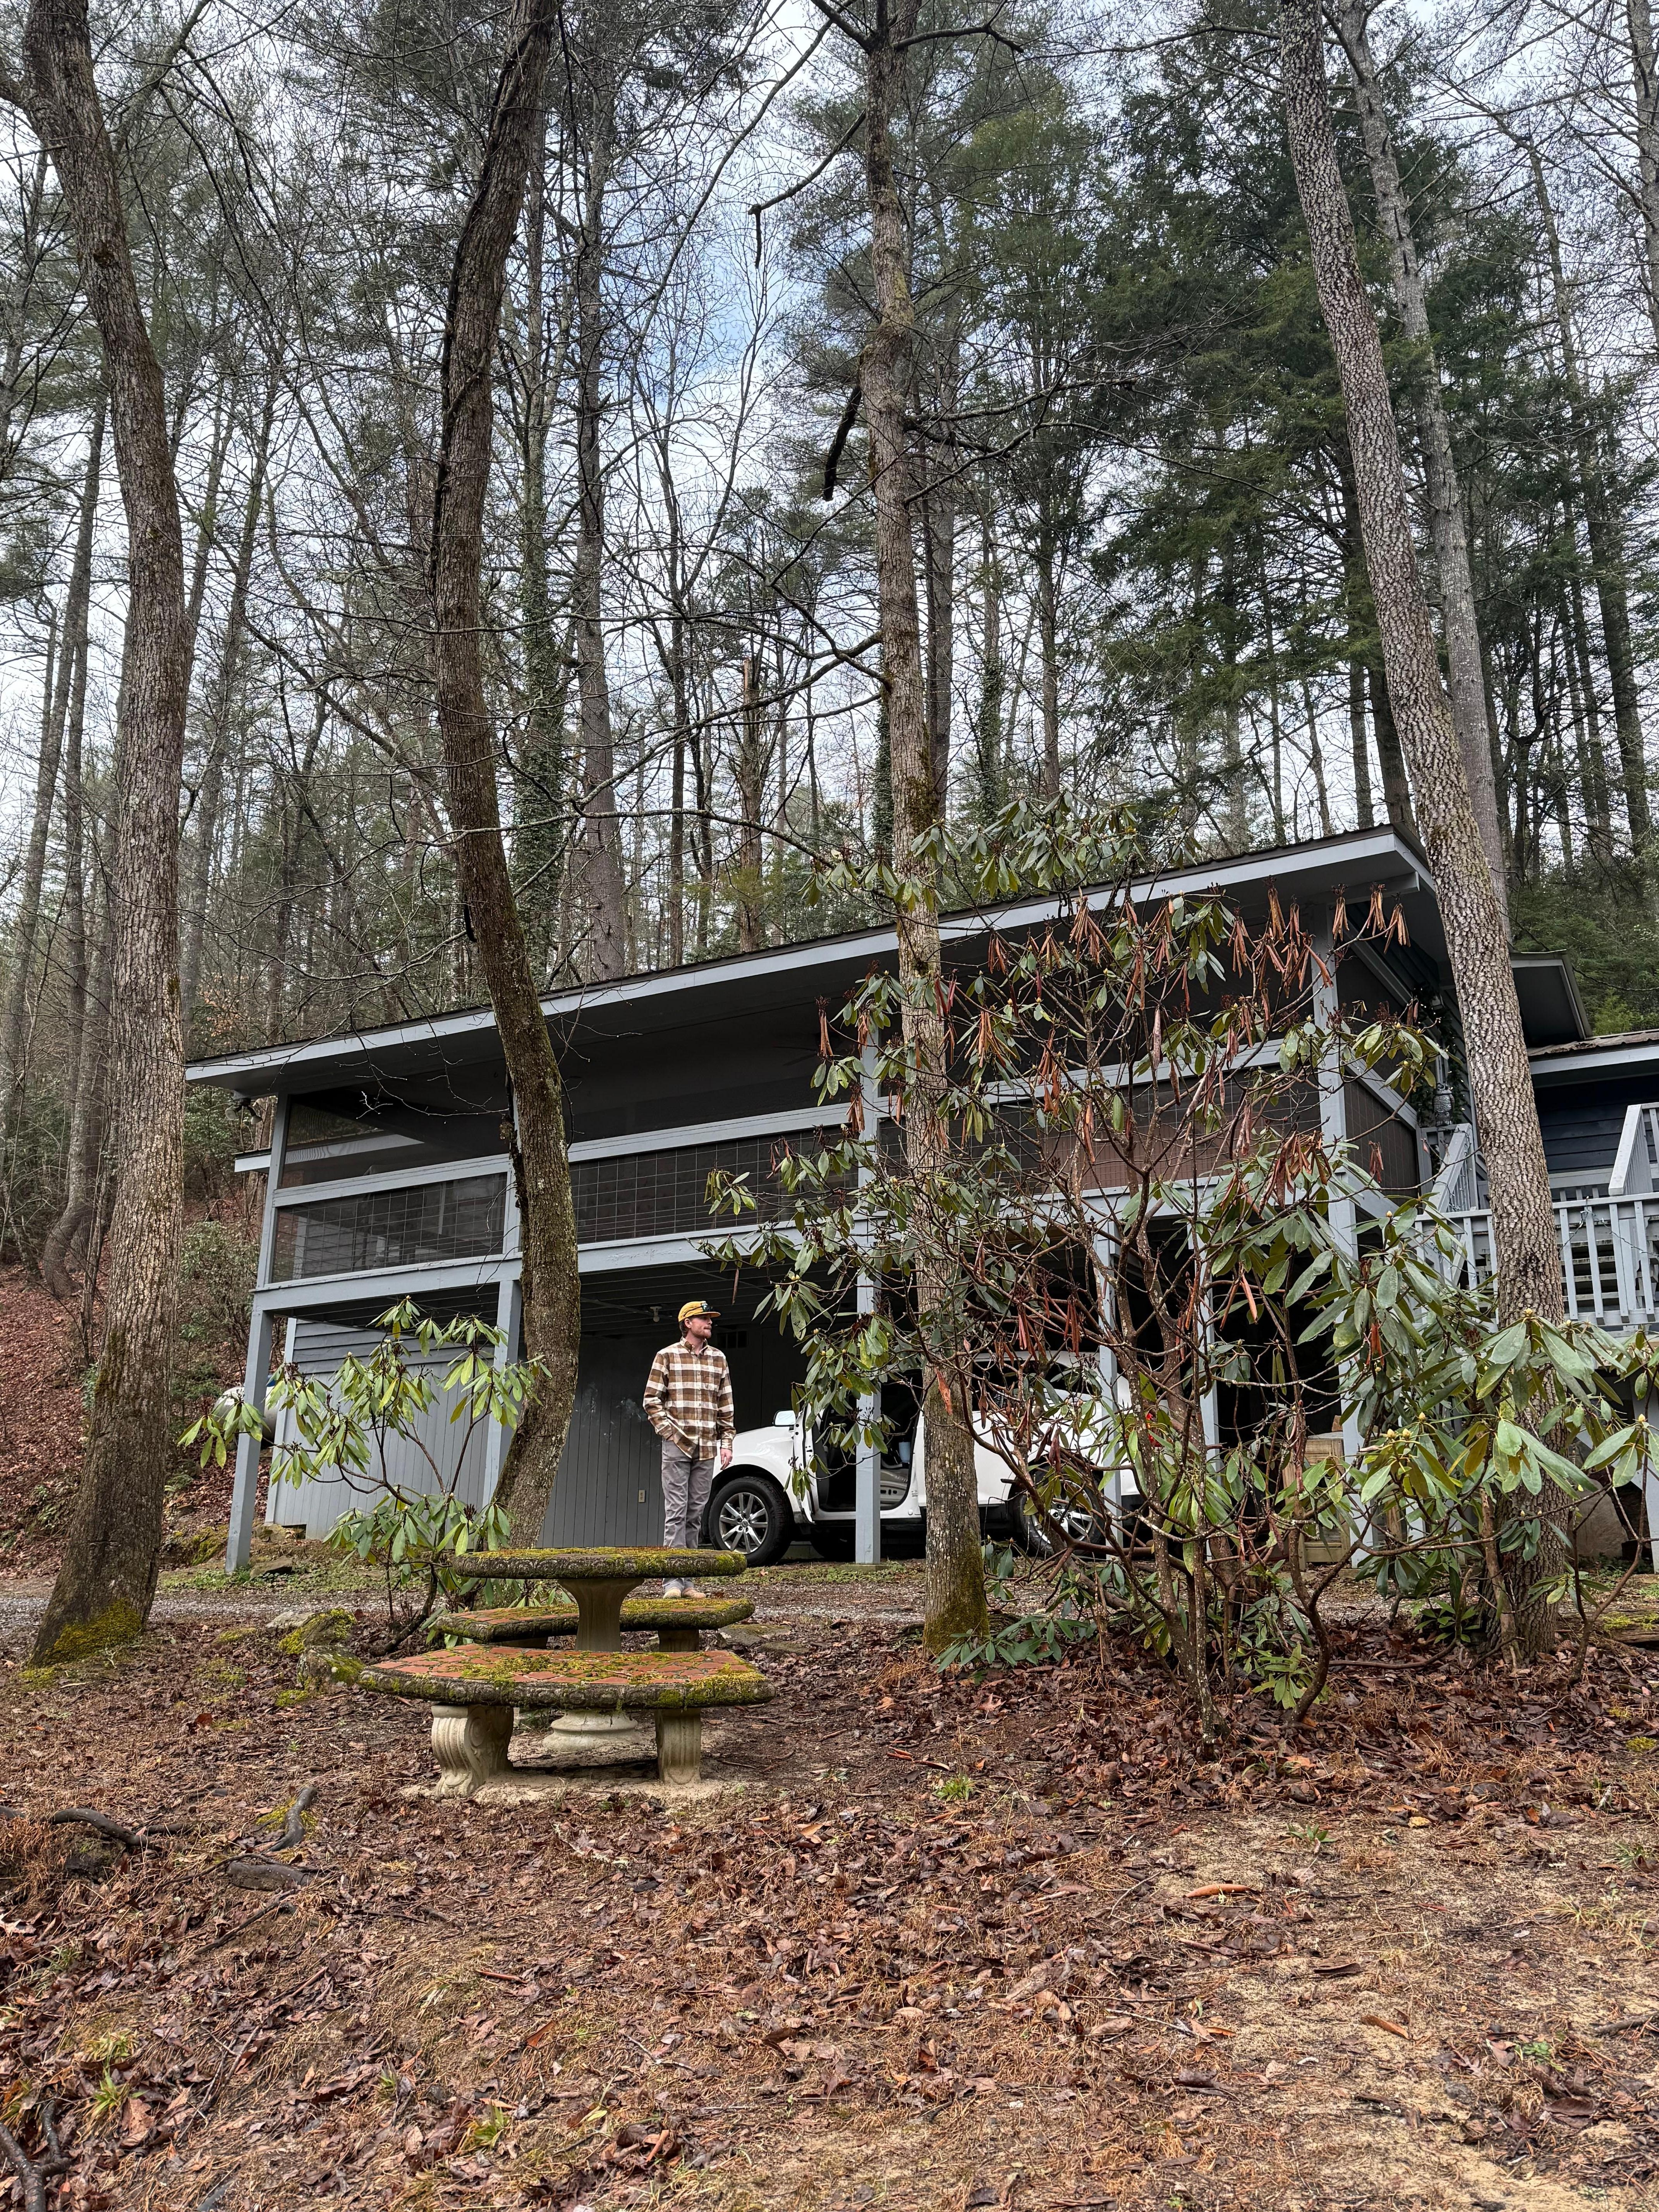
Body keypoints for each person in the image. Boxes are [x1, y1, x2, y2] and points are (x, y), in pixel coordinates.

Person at [643, 1300, 735, 1595]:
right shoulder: (666, 1356)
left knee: (695, 1515)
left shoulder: (719, 1359)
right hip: (677, 1446)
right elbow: (651, 1400)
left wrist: (727, 1443)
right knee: (676, 1513)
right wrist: (669, 1433)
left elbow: (726, 1406)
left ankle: (688, 1582)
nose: (710, 1322)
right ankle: (672, 1582)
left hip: (707, 1447)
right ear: (688, 1323)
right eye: (704, 1318)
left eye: (710, 1318)